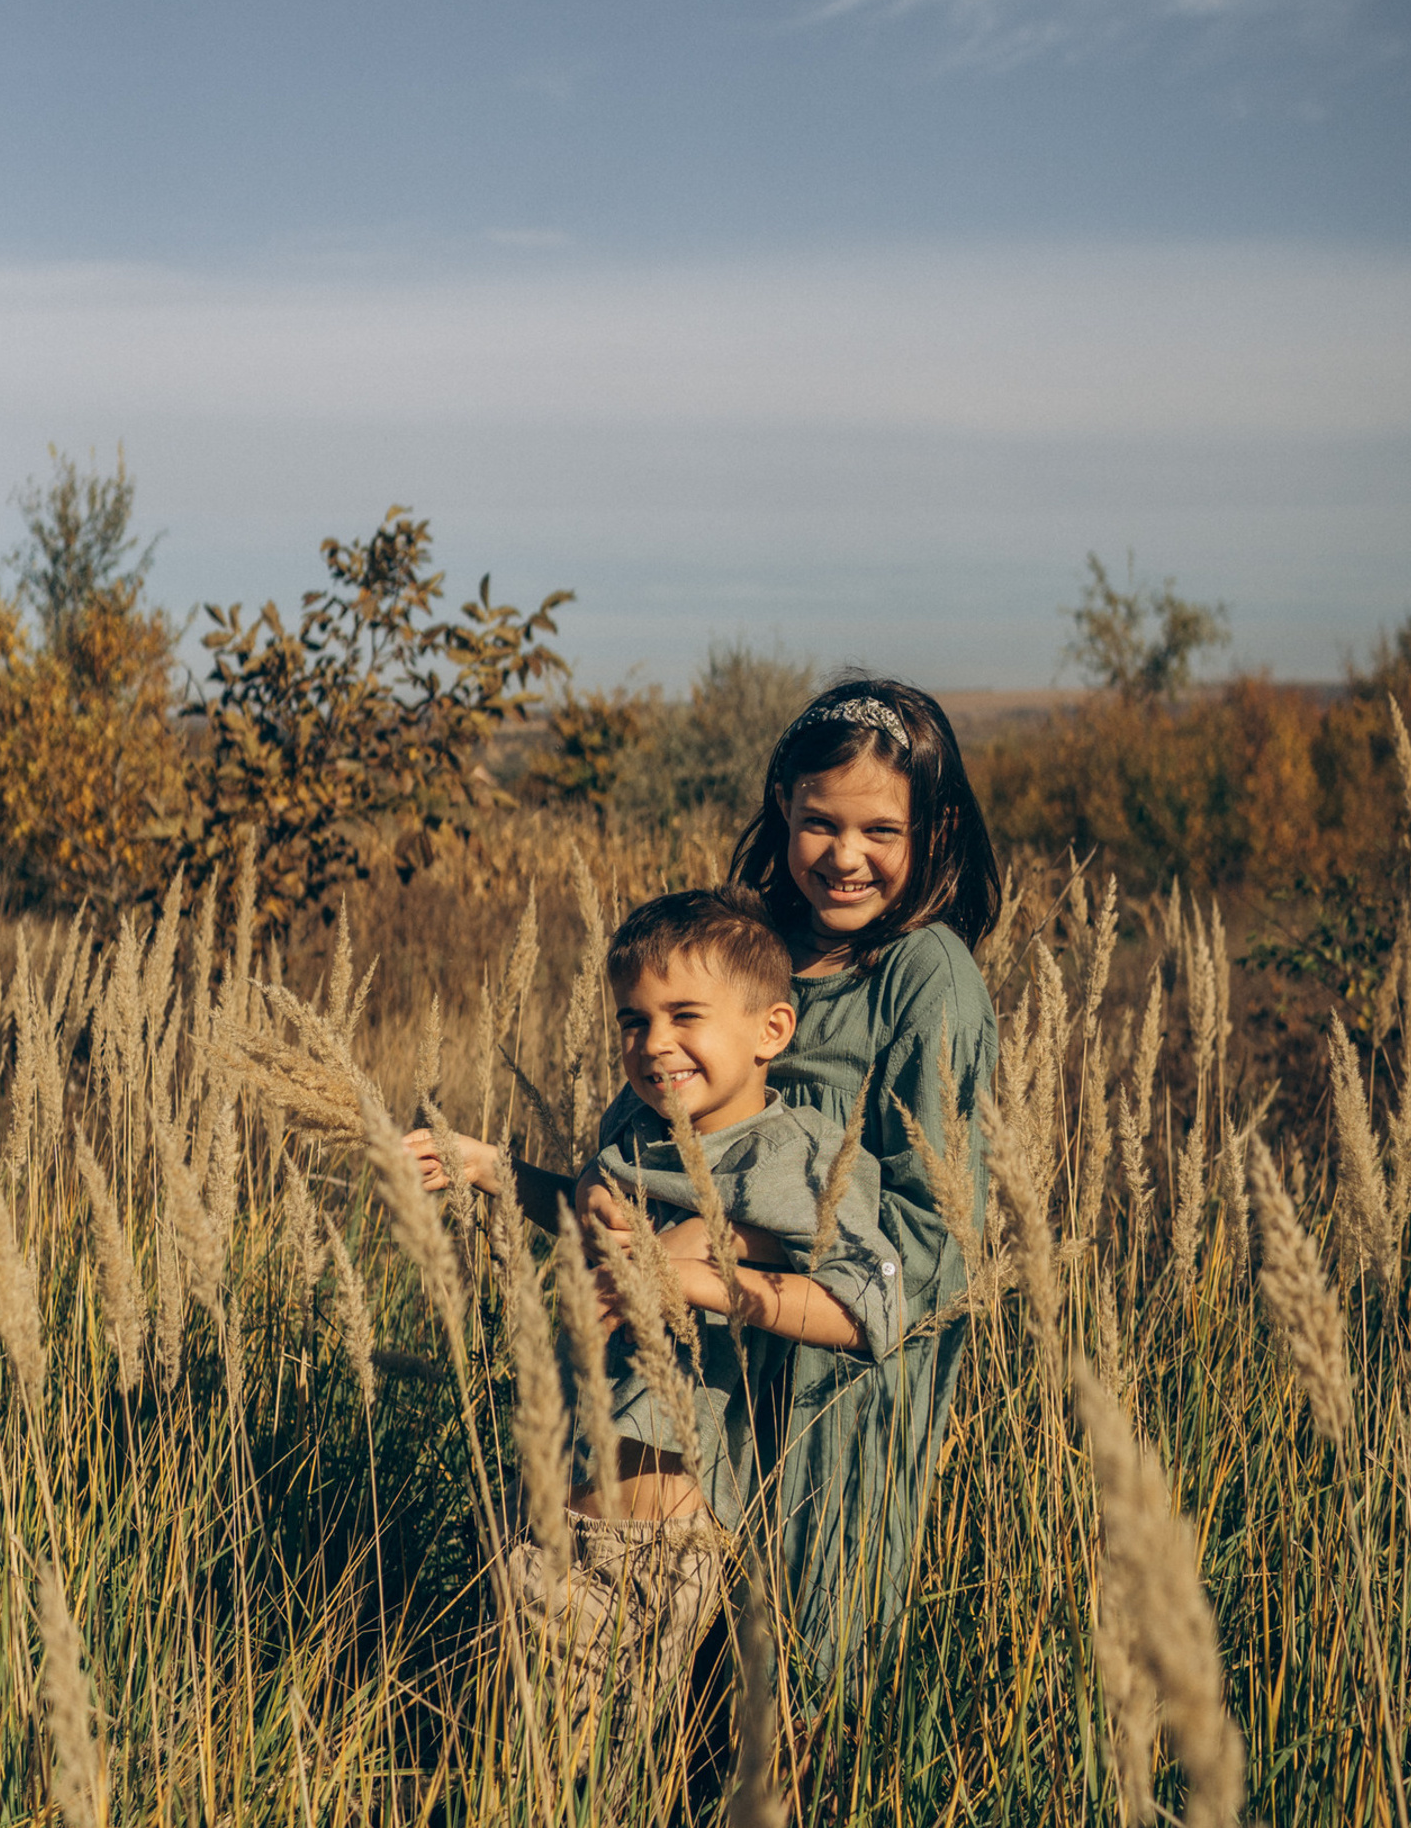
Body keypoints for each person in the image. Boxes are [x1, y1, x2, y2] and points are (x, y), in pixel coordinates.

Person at [406, 675, 1000, 1701]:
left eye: (880, 830)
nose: (845, 856)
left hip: (826, 1398)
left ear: (933, 831)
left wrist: (714, 1262)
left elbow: (935, 1249)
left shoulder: (922, 975)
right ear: (783, 811)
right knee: (641, 1682)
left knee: (786, 1692)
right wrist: (501, 1175)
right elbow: (635, 1205)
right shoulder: (735, 952)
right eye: (820, 823)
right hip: (693, 1401)